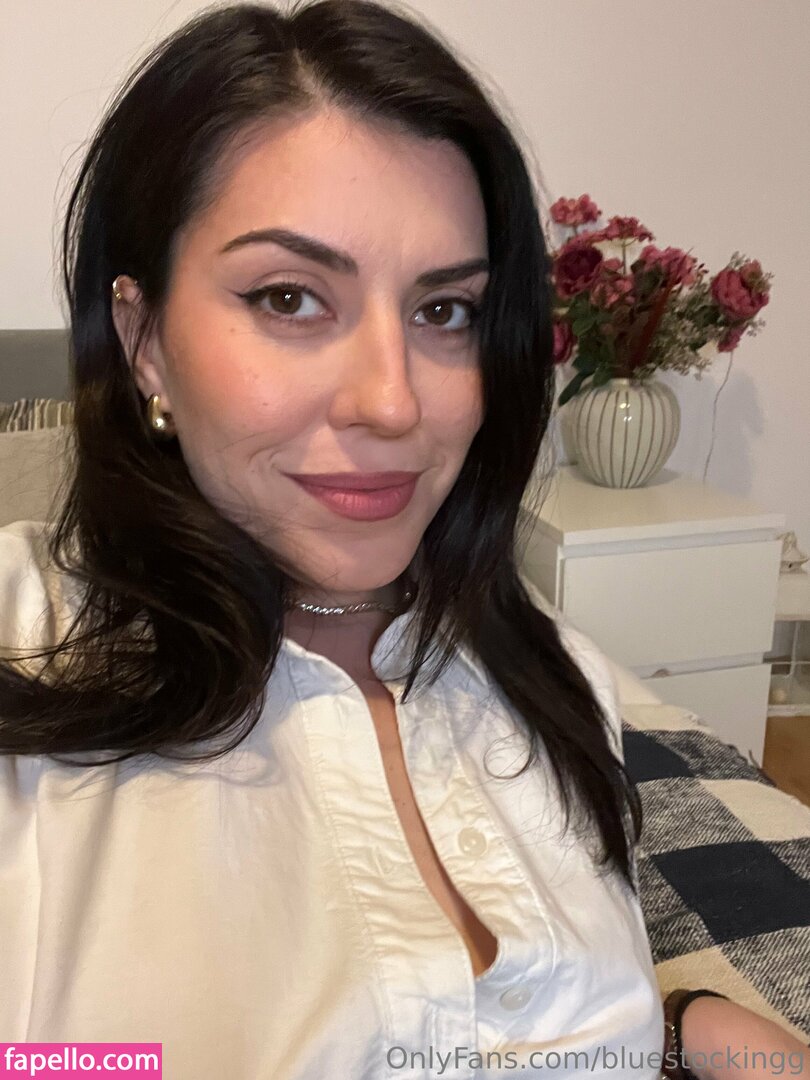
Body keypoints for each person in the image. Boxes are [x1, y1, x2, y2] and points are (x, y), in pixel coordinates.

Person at [0, 2, 807, 1078]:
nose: (393, 403)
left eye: (444, 312)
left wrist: (682, 1024)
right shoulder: (22, 649)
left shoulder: (557, 673)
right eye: (290, 297)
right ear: (144, 339)